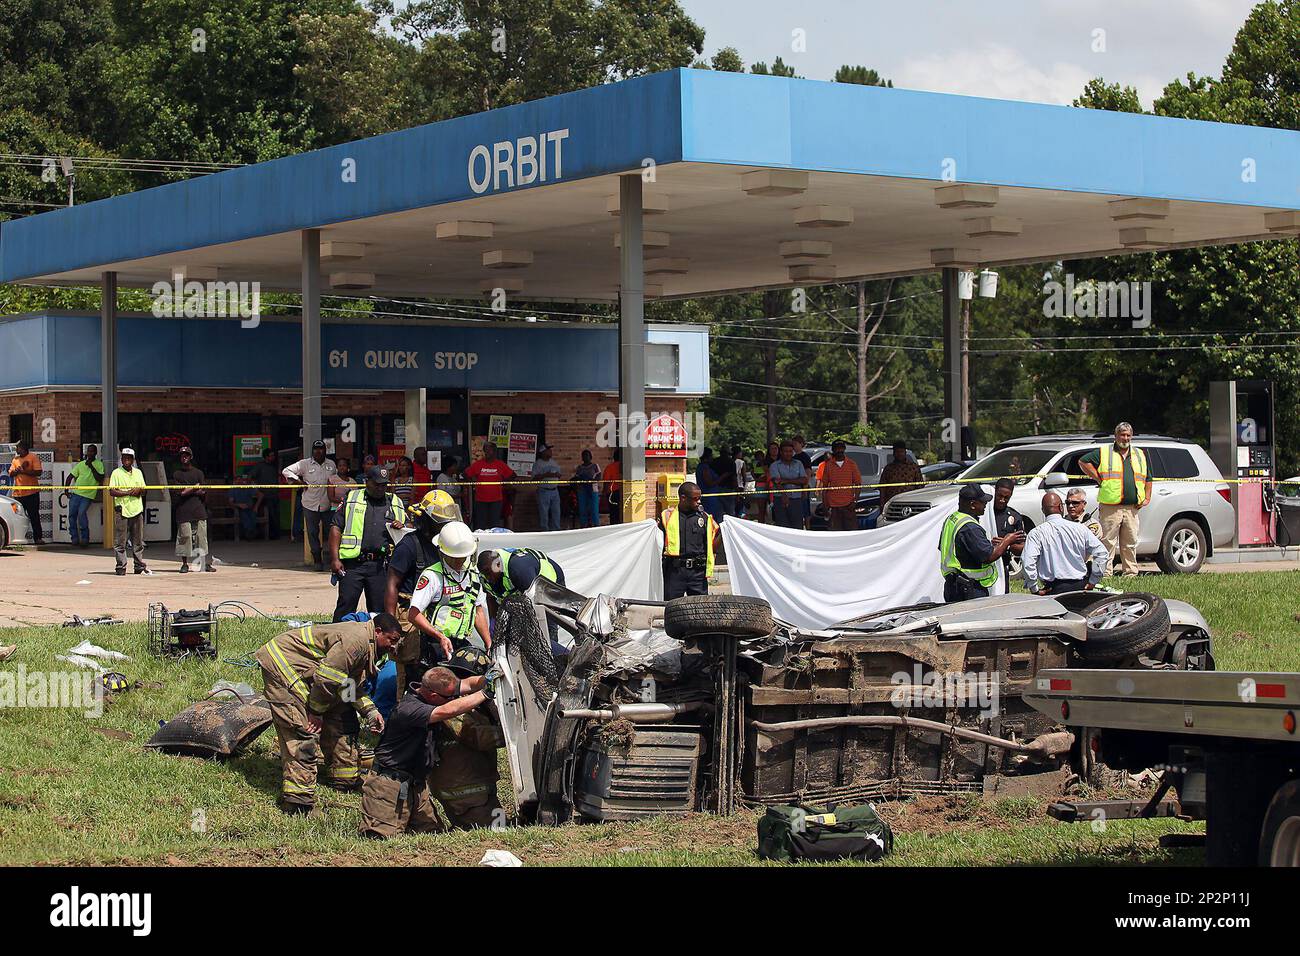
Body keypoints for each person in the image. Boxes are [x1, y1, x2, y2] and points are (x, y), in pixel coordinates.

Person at [255, 614, 400, 812]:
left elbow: (348, 685)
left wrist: (370, 711)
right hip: (283, 664)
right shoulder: (356, 642)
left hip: (314, 673)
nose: (393, 647)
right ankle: (298, 800)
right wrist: (315, 712)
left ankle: (344, 777)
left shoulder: (367, 644)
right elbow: (327, 679)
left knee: (342, 717)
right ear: (378, 631)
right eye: (392, 640)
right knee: (301, 729)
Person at [358, 663, 498, 839]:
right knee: (380, 838)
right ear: (432, 695)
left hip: (415, 784)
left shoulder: (436, 691)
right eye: (449, 697)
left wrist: (487, 679)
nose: (454, 698)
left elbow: (467, 684)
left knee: (432, 835)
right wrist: (485, 694)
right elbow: (448, 710)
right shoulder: (410, 708)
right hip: (388, 785)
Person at [386, 489, 461, 698]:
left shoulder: (446, 546)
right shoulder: (409, 546)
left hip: (437, 614)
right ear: (426, 521)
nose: (445, 527)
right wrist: (391, 626)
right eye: (440, 523)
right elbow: (392, 584)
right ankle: (405, 712)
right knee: (412, 672)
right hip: (411, 616)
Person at [427, 648, 505, 829]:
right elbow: (479, 737)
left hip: (477, 788)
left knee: (501, 823)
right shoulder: (451, 707)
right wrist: (511, 734)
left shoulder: (471, 704)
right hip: (465, 792)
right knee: (496, 831)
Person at [328, 466, 408, 621]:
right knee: (345, 606)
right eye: (376, 484)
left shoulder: (395, 502)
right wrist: (335, 559)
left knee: (379, 612)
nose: (380, 488)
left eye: (384, 485)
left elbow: (408, 529)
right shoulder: (351, 498)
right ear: (367, 482)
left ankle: (374, 643)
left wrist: (402, 527)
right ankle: (337, 639)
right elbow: (335, 528)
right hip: (352, 565)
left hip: (380, 566)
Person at [407, 521, 491, 663]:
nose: (459, 561)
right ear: (442, 552)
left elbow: (478, 611)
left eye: (462, 556)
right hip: (435, 643)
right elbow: (414, 614)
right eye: (454, 557)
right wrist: (440, 636)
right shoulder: (432, 576)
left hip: (461, 643)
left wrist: (488, 643)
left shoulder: (473, 574)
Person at [1079, 422, 1151, 577]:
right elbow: (1083, 461)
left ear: (1131, 437)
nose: (1125, 438)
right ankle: (1106, 573)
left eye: (1128, 435)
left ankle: (1130, 573)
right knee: (1107, 542)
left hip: (1132, 507)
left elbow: (1148, 477)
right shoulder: (1105, 452)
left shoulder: (1139, 454)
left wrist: (1147, 498)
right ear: (1116, 435)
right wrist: (1098, 478)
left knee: (1130, 543)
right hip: (1111, 506)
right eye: (1122, 434)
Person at [937, 483, 1023, 603]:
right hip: (969, 589)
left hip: (953, 586)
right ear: (972, 505)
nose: (985, 505)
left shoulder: (952, 519)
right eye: (982, 502)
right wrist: (1007, 540)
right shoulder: (970, 527)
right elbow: (989, 556)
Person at [1022, 492, 1110, 595]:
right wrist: (1093, 580)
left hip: (1052, 589)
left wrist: (1034, 588)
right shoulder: (1080, 529)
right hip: (1080, 587)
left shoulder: (1036, 533)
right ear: (1061, 507)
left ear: (1043, 510)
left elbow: (1027, 562)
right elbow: (1102, 553)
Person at [282, 439, 338, 569]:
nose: (318, 451)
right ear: (312, 451)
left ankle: (332, 559)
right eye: (316, 449)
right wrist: (298, 481)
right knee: (312, 533)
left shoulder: (331, 464)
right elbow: (286, 471)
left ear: (325, 450)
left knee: (332, 532)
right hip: (310, 504)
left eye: (321, 449)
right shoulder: (304, 464)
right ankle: (317, 560)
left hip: (328, 504)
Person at [659, 481, 720, 599]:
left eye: (699, 498)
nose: (699, 501)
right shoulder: (667, 517)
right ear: (683, 498)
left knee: (699, 610)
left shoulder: (705, 518)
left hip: (698, 574)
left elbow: (713, 545)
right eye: (695, 498)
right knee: (672, 609)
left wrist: (724, 532)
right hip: (674, 573)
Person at [108, 447, 150, 575]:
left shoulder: (138, 473)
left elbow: (144, 490)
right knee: (120, 542)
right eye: (124, 458)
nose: (127, 460)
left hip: (137, 510)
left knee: (138, 541)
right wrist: (127, 493)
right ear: (121, 459)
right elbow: (112, 491)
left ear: (133, 460)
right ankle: (121, 566)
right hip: (122, 511)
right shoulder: (116, 473)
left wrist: (139, 491)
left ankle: (138, 566)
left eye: (129, 458)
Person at [172, 445, 213, 573]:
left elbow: (203, 491)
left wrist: (191, 489)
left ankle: (203, 563)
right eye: (182, 455)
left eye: (187, 455)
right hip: (183, 511)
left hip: (198, 510)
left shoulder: (198, 473)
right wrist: (194, 488)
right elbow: (181, 493)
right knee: (185, 537)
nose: (184, 457)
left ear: (191, 457)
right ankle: (184, 564)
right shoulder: (177, 474)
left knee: (201, 537)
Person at [464, 442, 515, 530]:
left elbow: (513, 475)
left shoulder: (500, 464)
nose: (486, 452)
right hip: (480, 499)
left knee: (494, 524)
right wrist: (473, 482)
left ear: (494, 451)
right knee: (480, 524)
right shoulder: (478, 464)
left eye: (489, 450)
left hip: (496, 500)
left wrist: (503, 483)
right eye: (485, 450)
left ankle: (493, 542)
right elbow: (466, 474)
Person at [815, 440, 862, 531]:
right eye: (837, 448)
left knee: (851, 533)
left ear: (844, 449)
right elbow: (824, 487)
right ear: (833, 450)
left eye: (841, 448)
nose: (839, 450)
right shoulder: (828, 465)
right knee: (835, 534)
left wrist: (855, 501)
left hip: (848, 506)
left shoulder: (852, 464)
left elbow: (858, 484)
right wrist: (825, 505)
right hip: (833, 507)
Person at [67, 444, 104, 548]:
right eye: (89, 451)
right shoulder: (81, 464)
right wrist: (66, 490)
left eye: (92, 451)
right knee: (71, 515)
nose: (90, 453)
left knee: (81, 513)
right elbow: (70, 476)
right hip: (76, 493)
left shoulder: (99, 464)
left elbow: (99, 478)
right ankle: (74, 538)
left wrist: (91, 466)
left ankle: (85, 539)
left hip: (88, 495)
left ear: (96, 453)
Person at [7, 439, 43, 543]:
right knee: (17, 516)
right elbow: (10, 473)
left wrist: (24, 471)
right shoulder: (15, 459)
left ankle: (38, 538)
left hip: (31, 493)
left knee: (34, 516)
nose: (16, 449)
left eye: (17, 447)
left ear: (23, 448)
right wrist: (15, 471)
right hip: (18, 494)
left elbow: (38, 472)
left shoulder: (33, 457)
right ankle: (18, 539)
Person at [991, 477, 1025, 586]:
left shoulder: (1014, 517)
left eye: (1006, 497)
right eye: (1000, 496)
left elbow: (1022, 549)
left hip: (1002, 566)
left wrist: (1006, 543)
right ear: (995, 491)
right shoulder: (984, 512)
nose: (1002, 500)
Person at [768, 440, 808, 529]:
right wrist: (784, 495)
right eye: (786, 451)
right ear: (781, 452)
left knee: (797, 526)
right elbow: (777, 482)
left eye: (790, 451)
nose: (788, 454)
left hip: (796, 499)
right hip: (780, 499)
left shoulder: (798, 463)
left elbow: (804, 480)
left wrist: (785, 481)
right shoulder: (774, 465)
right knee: (783, 527)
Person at [879, 443, 923, 509]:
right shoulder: (888, 468)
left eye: (901, 452)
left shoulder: (913, 467)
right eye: (897, 452)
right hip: (892, 503)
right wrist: (882, 504)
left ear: (905, 453)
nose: (899, 454)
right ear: (893, 453)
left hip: (910, 503)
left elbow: (920, 486)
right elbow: (882, 488)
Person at [249, 448, 281, 539]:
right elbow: (250, 477)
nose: (273, 457)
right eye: (271, 456)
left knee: (276, 515)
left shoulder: (273, 467)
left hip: (275, 494)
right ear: (266, 457)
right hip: (265, 495)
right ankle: (268, 535)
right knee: (270, 515)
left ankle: (275, 534)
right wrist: (256, 488)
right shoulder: (260, 466)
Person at [532, 444, 563, 532]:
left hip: (555, 490)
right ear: (542, 452)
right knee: (544, 513)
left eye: (550, 450)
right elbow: (534, 479)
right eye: (548, 450)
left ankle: (556, 530)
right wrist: (546, 475)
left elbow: (559, 474)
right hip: (543, 491)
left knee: (556, 512)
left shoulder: (553, 462)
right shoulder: (538, 464)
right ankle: (545, 530)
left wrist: (557, 475)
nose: (550, 452)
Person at [572, 449, 602, 528]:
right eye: (584, 456)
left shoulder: (595, 466)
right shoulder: (579, 468)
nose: (585, 457)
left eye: (587, 455)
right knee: (582, 509)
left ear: (590, 457)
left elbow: (599, 476)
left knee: (594, 510)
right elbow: (576, 478)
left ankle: (596, 526)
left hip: (592, 490)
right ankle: (583, 526)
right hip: (582, 490)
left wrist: (591, 481)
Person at [791, 436, 814, 528]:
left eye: (795, 444)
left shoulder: (805, 457)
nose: (794, 446)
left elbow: (808, 472)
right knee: (797, 509)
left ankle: (808, 527)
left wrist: (805, 487)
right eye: (793, 444)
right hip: (794, 487)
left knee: (805, 508)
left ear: (801, 444)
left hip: (803, 486)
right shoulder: (793, 457)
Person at [230, 472, 259, 539]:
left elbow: (260, 495)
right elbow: (230, 502)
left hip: (250, 508)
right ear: (234, 481)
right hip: (240, 509)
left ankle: (251, 532)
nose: (239, 481)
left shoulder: (247, 487)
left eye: (241, 479)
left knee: (253, 514)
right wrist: (238, 505)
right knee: (244, 515)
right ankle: (250, 533)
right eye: (237, 479)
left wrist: (256, 506)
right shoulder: (233, 489)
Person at [436, 456, 466, 522]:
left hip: (456, 506)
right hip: (447, 507)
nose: (456, 468)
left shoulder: (453, 478)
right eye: (454, 466)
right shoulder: (441, 478)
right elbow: (442, 494)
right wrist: (458, 496)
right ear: (448, 467)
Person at [603, 449, 622, 525]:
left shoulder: (609, 467)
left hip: (613, 494)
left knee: (613, 513)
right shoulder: (625, 466)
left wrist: (605, 493)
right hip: (623, 492)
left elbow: (606, 482)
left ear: (614, 457)